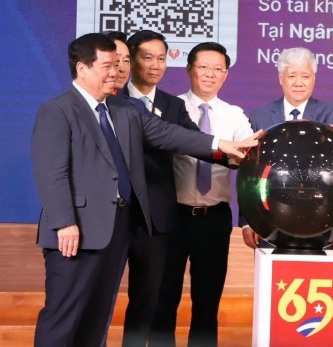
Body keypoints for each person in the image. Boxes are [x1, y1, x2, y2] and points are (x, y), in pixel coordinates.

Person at [31, 33, 256, 347]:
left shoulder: (123, 110)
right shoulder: (58, 110)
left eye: (118, 64)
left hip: (113, 234)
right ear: (82, 69)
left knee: (97, 317)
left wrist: (222, 145)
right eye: (107, 66)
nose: (116, 72)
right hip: (75, 233)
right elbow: (51, 173)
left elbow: (170, 134)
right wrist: (64, 222)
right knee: (64, 317)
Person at [151, 42, 254, 346]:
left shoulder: (235, 115)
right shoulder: (169, 108)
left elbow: (245, 156)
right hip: (171, 217)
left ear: (225, 75)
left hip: (213, 219)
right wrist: (223, 150)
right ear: (189, 70)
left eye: (218, 69)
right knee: (163, 299)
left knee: (207, 304)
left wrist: (233, 153)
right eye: (203, 67)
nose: (210, 74)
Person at [118, 30, 199, 346]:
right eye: (146, 57)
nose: (155, 65)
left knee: (147, 299)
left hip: (156, 217)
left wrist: (233, 154)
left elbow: (193, 140)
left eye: (161, 58)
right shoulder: (112, 99)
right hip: (116, 214)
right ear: (131, 59)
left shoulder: (172, 105)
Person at [241, 47, 333, 249]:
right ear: (281, 78)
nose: (299, 82)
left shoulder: (330, 114)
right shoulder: (259, 116)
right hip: (269, 218)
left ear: (314, 78)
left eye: (305, 75)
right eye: (292, 75)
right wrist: (247, 220)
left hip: (318, 218)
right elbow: (249, 173)